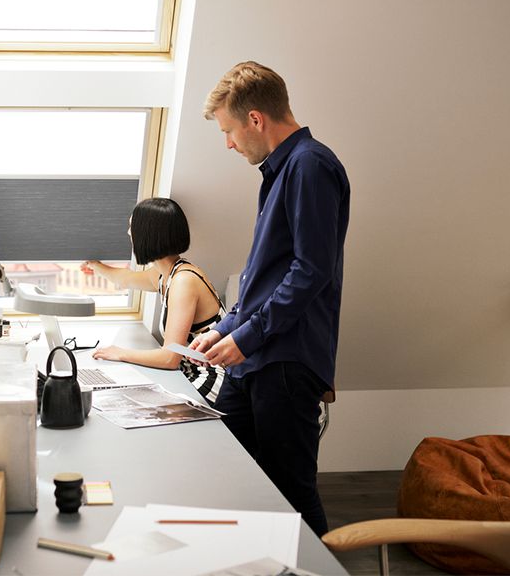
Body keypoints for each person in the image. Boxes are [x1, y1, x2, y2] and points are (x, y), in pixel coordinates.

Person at [192, 61, 350, 536]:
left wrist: (247, 336)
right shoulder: (280, 172)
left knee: (291, 492)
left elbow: (311, 271)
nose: (229, 143)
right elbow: (266, 276)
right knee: (237, 476)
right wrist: (223, 327)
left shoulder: (310, 166)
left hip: (285, 359)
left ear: (256, 119)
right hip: (258, 356)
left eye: (230, 131)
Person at [80, 197, 227, 405]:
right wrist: (96, 266)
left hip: (210, 382)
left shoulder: (184, 281)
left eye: (132, 228)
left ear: (148, 234)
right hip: (188, 374)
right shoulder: (163, 275)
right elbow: (125, 279)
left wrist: (120, 353)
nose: (129, 233)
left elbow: (170, 357)